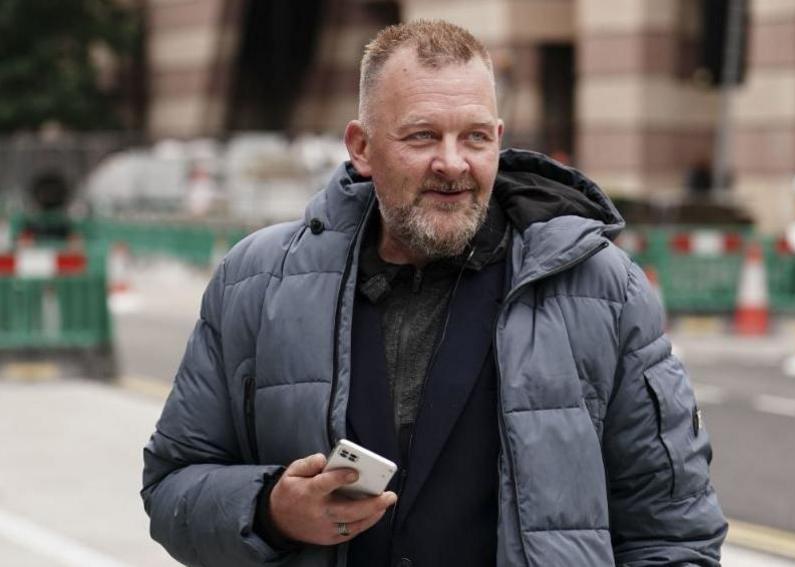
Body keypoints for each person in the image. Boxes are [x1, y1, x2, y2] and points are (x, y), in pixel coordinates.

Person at [141, 20, 727, 567]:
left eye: (474, 137)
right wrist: (269, 510)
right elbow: (172, 486)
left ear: (498, 139)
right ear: (362, 147)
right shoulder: (255, 280)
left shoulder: (605, 288)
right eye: (422, 136)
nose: (452, 164)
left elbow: (674, 532)